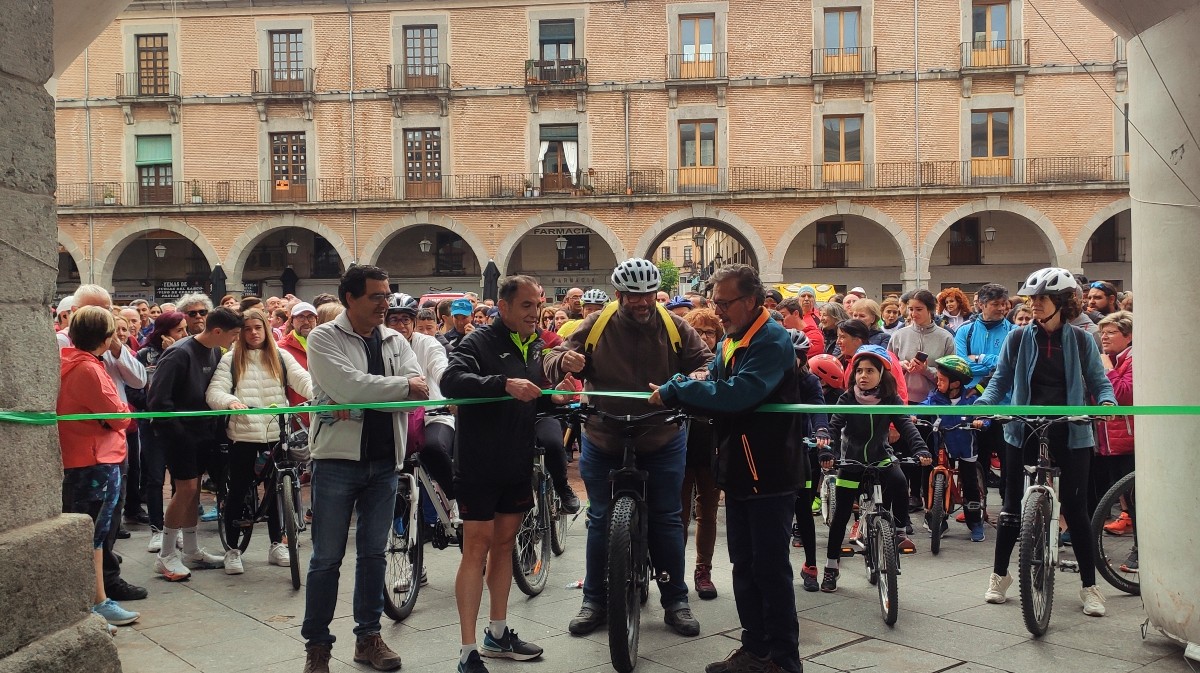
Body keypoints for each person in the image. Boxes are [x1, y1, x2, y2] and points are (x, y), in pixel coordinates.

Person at [546, 258, 711, 638]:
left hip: (661, 435)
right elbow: (552, 358)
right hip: (604, 434)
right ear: (618, 294)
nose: (641, 301)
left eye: (647, 294)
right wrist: (564, 360)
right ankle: (594, 601)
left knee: (668, 518)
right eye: (633, 295)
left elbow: (706, 361)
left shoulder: (674, 326)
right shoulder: (596, 323)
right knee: (599, 518)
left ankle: (676, 601)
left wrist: (700, 374)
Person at [651, 265, 804, 673]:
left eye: (724, 302)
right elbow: (714, 383)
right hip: (737, 470)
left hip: (768, 473)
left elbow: (739, 394)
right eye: (714, 302)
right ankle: (755, 650)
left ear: (750, 301)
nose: (717, 310)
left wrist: (677, 390)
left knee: (770, 571)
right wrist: (682, 385)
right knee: (745, 567)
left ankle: (783, 661)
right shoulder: (732, 339)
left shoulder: (771, 340)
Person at [301, 265, 427, 673]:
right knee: (326, 559)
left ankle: (368, 638)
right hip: (336, 461)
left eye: (387, 295)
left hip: (385, 463)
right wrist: (399, 388)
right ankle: (317, 647)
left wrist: (371, 395)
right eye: (376, 296)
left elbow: (419, 392)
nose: (384, 304)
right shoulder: (323, 337)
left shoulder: (394, 339)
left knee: (374, 555)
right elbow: (349, 387)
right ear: (350, 299)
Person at [974, 267, 1116, 616]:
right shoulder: (1018, 338)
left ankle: (1089, 586)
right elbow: (1000, 379)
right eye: (1032, 298)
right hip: (1023, 426)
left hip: (1071, 428)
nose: (1034, 304)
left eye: (1042, 298)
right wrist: (985, 402)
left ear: (1063, 302)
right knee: (1010, 505)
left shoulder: (1082, 339)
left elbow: (1099, 380)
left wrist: (1107, 403)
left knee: (1076, 508)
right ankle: (999, 575)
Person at [441, 276, 565, 673]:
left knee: (505, 544)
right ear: (504, 307)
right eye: (526, 305)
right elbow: (450, 382)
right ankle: (467, 651)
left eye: (538, 304)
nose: (535, 312)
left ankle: (497, 633)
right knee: (476, 548)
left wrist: (556, 396)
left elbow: (535, 395)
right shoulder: (478, 341)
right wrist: (503, 384)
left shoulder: (536, 344)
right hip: (478, 463)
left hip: (516, 461)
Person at [206, 309, 313, 574]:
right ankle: (232, 549)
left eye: (258, 327)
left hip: (277, 434)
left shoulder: (281, 356)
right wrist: (230, 401)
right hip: (243, 435)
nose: (253, 333)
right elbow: (215, 391)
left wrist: (319, 395)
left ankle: (277, 544)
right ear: (240, 333)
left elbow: (303, 380)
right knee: (238, 490)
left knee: (277, 491)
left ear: (266, 328)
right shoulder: (231, 359)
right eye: (247, 328)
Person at [820, 345, 931, 592]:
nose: (863, 375)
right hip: (851, 461)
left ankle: (899, 532)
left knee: (899, 481)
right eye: (859, 370)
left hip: (881, 457)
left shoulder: (890, 398)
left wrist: (921, 449)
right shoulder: (847, 398)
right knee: (841, 515)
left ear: (881, 374)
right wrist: (828, 453)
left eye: (870, 371)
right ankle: (831, 567)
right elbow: (833, 427)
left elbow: (906, 425)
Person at [147, 307, 244, 581]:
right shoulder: (179, 353)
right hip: (179, 434)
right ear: (218, 331)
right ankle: (166, 553)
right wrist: (178, 433)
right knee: (186, 489)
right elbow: (158, 400)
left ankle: (191, 549)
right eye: (234, 334)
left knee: (194, 490)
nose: (235, 339)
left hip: (203, 432)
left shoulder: (214, 352)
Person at [58, 306, 140, 628]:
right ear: (106, 339)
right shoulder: (89, 369)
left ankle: (95, 600)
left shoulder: (67, 361)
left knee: (90, 535)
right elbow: (119, 416)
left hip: (83, 458)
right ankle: (95, 603)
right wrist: (122, 412)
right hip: (95, 460)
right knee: (92, 536)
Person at [677, 307, 724, 601]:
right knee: (678, 514)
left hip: (711, 445)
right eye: (699, 332)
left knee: (708, 512)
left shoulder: (724, 362)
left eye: (710, 332)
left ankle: (703, 571)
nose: (705, 337)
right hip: (680, 443)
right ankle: (674, 571)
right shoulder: (678, 360)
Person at [954, 283, 1016, 505]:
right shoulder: (965, 331)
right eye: (995, 304)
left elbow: (1009, 365)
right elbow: (963, 366)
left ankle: (1008, 507)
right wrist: (994, 363)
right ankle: (975, 506)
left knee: (1008, 461)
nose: (1002, 308)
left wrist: (980, 358)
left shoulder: (1014, 332)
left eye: (1004, 304)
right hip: (974, 403)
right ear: (981, 305)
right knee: (975, 460)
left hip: (1006, 405)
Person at [133, 311, 187, 553]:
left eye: (185, 329)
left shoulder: (187, 351)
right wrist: (153, 403)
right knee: (155, 478)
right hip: (152, 423)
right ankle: (156, 529)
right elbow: (134, 389)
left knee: (180, 478)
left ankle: (176, 527)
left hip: (179, 423)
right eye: (179, 330)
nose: (184, 334)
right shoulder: (144, 355)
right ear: (164, 333)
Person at [919, 355, 989, 541]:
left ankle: (975, 522)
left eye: (942, 380)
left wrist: (981, 422)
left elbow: (984, 415)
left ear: (956, 383)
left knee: (970, 483)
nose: (938, 383)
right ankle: (937, 519)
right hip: (943, 445)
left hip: (966, 447)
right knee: (933, 477)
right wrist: (912, 415)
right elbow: (922, 407)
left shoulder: (971, 399)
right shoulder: (934, 398)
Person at [1094, 311, 1134, 537]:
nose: (1104, 337)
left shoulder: (1132, 360)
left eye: (1111, 332)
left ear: (1128, 336)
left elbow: (1123, 394)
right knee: (1122, 490)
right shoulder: (1115, 358)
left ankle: (1140, 547)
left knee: (1133, 494)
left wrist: (1108, 369)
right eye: (1102, 333)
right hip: (1111, 440)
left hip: (1128, 440)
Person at [888, 290, 957, 407]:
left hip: (935, 401)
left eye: (919, 309)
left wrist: (926, 370)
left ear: (930, 309)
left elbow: (951, 375)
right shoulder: (898, 335)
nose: (913, 314)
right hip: (902, 400)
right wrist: (901, 365)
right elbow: (887, 367)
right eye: (910, 309)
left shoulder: (946, 337)